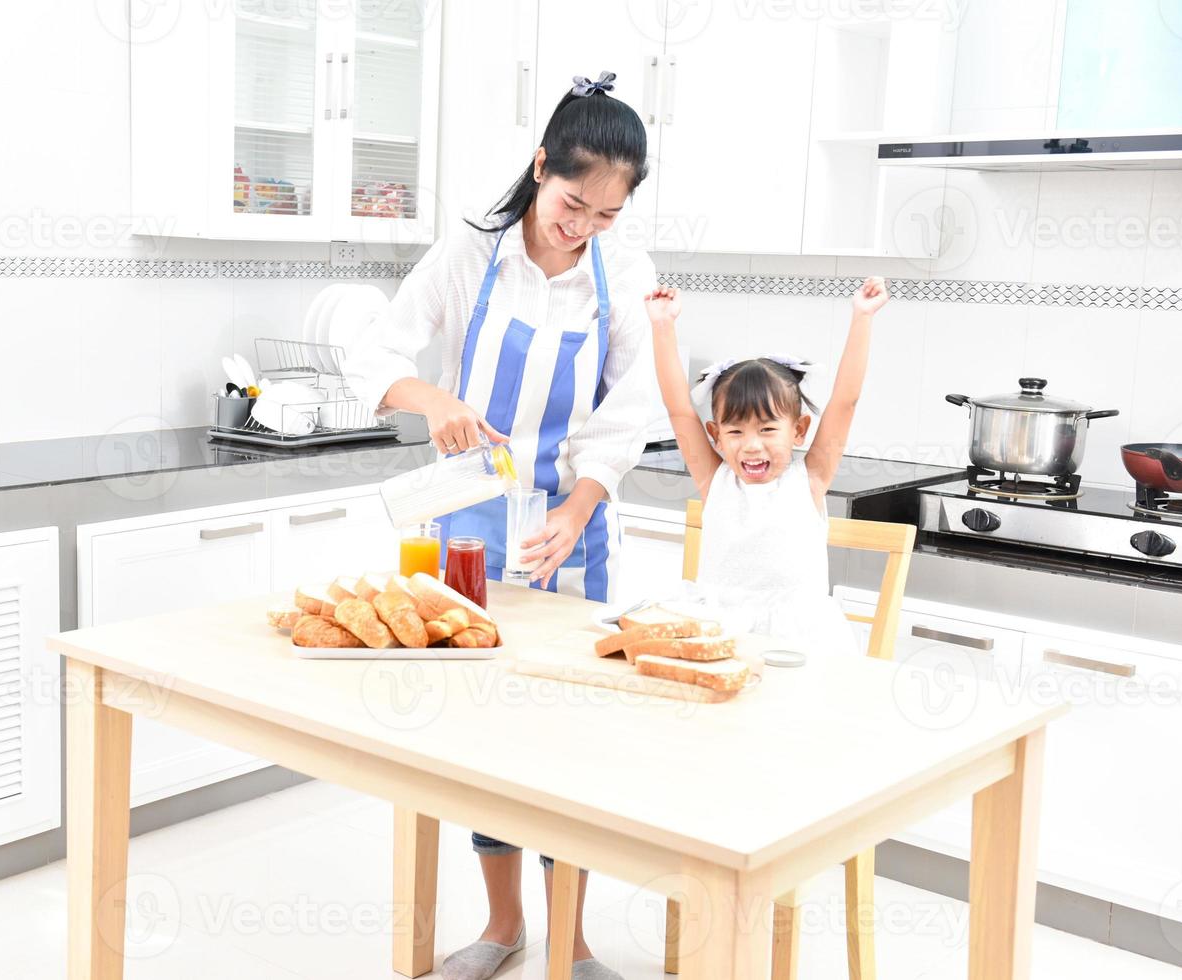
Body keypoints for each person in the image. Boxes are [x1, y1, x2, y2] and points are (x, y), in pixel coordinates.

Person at [345, 71, 655, 980]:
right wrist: (431, 396)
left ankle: (573, 940)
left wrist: (578, 506)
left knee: (570, 741)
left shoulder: (622, 274)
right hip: (467, 533)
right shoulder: (472, 252)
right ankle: (504, 926)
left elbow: (628, 412)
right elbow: (372, 350)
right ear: (540, 168)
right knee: (482, 738)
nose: (582, 227)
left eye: (605, 214)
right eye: (572, 203)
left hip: (572, 533)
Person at [646, 277, 890, 654]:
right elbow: (679, 408)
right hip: (719, 635)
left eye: (767, 429)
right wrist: (663, 325)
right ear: (715, 434)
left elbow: (845, 402)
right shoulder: (715, 480)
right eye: (736, 431)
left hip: (797, 645)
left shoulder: (810, 479)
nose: (752, 446)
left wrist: (862, 317)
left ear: (799, 430)